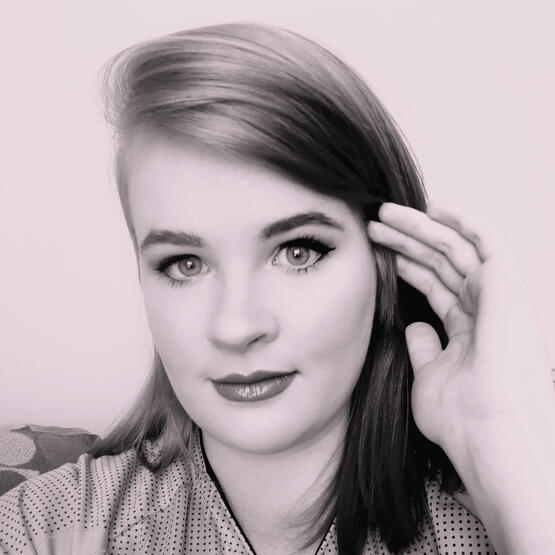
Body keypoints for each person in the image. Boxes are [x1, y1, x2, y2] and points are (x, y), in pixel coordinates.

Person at [1, 22, 554, 555]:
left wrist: (507, 459)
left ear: (386, 262)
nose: (236, 326)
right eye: (185, 264)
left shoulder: (513, 505)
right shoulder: (41, 527)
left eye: (297, 252)